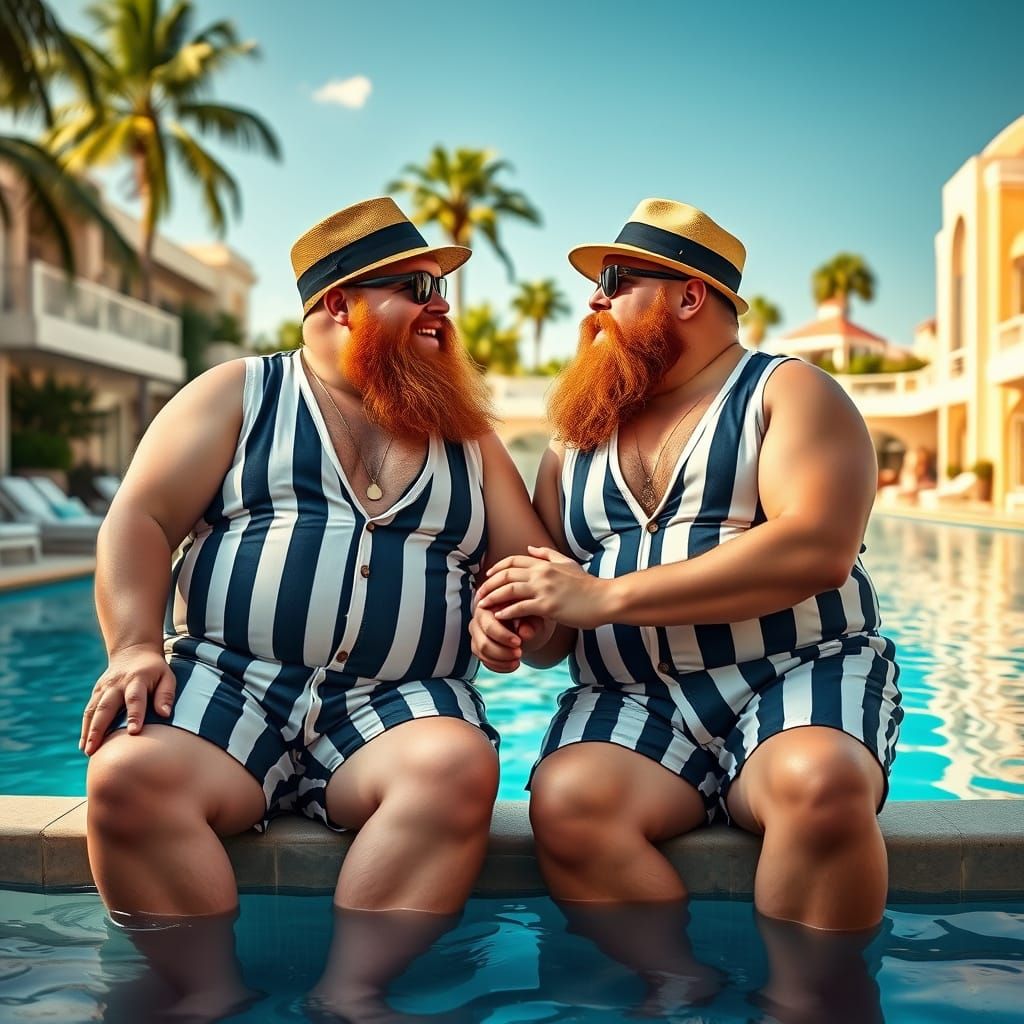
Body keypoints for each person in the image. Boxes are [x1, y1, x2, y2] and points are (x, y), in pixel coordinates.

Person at [80, 196, 553, 1020]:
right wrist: (132, 647)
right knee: (126, 774)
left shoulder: (469, 439)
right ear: (339, 302)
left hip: (399, 704)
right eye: (416, 285)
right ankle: (208, 993)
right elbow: (141, 519)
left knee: (454, 767)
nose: (442, 305)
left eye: (440, 285)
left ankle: (352, 993)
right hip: (230, 682)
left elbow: (526, 571)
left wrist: (509, 619)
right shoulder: (238, 393)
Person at [471, 198, 902, 1019]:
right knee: (568, 804)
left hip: (794, 673)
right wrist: (516, 627)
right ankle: (677, 990)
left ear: (688, 296)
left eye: (612, 281)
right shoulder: (576, 436)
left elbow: (817, 548)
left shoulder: (791, 392)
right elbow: (556, 626)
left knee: (819, 785)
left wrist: (606, 596)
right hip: (634, 702)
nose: (593, 303)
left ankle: (804, 1003)